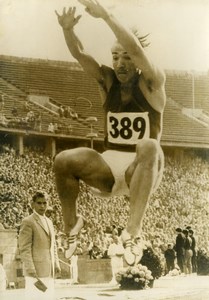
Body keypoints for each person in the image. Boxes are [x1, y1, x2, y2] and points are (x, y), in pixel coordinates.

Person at [54, 0, 166, 266]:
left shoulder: (152, 81)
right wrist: (68, 30)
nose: (120, 63)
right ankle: (71, 227)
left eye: (126, 57)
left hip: (144, 167)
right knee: (63, 160)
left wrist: (106, 15)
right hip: (110, 165)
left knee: (148, 144)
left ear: (137, 61)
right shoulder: (107, 81)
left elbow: (137, 50)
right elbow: (81, 55)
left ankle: (133, 233)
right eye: (115, 57)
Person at [18, 191, 61, 300]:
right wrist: (30, 269)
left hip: (49, 270)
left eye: (45, 203)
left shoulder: (49, 222)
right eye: (39, 203)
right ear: (32, 204)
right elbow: (24, 249)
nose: (42, 206)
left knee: (48, 297)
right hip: (35, 272)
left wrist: (56, 263)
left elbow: (53, 246)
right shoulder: (28, 222)